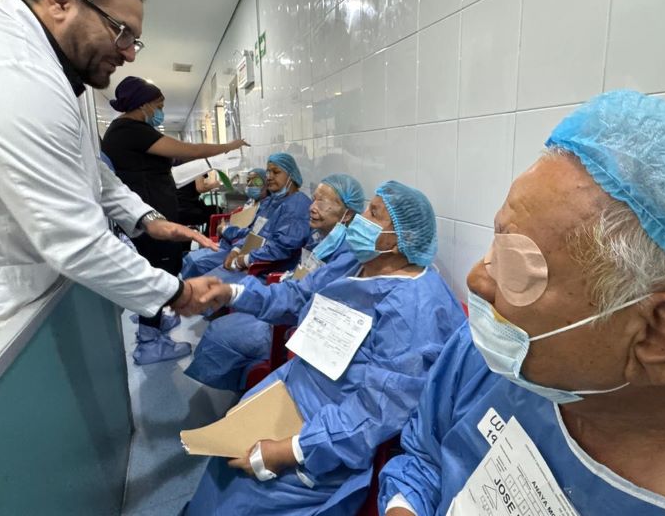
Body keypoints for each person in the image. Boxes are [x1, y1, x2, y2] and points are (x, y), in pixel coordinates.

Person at [378, 90, 665, 515]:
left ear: (662, 334)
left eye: (515, 266)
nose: (477, 279)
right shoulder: (499, 355)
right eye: (496, 243)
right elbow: (424, 456)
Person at [0, 0, 218, 379]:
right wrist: (177, 292)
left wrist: (147, 218)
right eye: (122, 32)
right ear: (60, 0)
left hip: (27, 291)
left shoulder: (56, 72)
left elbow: (90, 170)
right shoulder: (8, 71)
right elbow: (75, 238)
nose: (130, 53)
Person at [185, 181, 467, 516]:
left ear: (400, 239)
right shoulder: (354, 262)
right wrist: (234, 294)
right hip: (290, 387)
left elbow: (375, 411)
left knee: (242, 496)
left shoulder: (415, 308)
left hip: (327, 436)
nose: (360, 218)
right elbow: (300, 296)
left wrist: (290, 450)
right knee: (222, 467)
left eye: (373, 213)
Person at [101, 76, 248, 363]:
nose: (160, 112)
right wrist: (228, 147)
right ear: (143, 105)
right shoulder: (131, 129)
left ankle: (154, 319)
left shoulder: (125, 132)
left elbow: (173, 161)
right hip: (153, 219)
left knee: (158, 271)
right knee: (159, 271)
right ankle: (149, 341)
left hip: (150, 215)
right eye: (159, 105)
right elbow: (188, 152)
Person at [184, 173, 365, 390]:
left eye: (322, 201)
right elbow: (298, 273)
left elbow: (302, 295)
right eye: (314, 198)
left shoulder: (347, 253)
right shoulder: (319, 237)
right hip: (286, 298)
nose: (312, 206)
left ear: (346, 214)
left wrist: (242, 282)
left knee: (221, 333)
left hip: (296, 321)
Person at [193, 152, 312, 285]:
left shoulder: (297, 206)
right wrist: (236, 250)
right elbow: (254, 233)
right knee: (200, 275)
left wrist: (246, 259)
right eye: (268, 172)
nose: (270, 177)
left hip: (268, 270)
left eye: (276, 172)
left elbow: (281, 248)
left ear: (291, 175)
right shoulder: (270, 203)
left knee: (210, 288)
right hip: (252, 259)